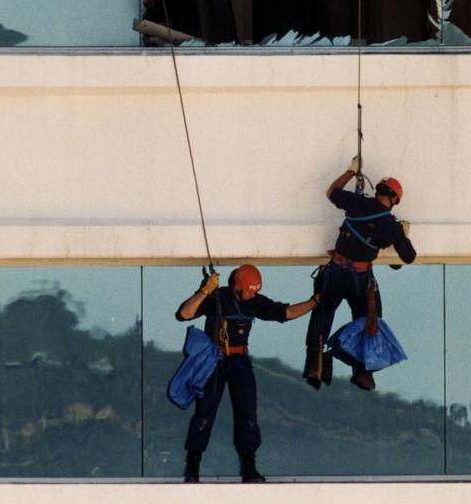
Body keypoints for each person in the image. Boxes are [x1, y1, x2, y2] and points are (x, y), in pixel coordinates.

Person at [176, 264, 319, 483]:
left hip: (240, 362)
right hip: (215, 361)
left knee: (248, 415)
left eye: (255, 292)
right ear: (236, 286)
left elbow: (287, 312)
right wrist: (204, 290)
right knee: (204, 414)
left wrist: (315, 302)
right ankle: (192, 467)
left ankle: (249, 467)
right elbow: (185, 313)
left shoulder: (255, 301)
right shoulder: (217, 297)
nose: (251, 296)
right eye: (248, 291)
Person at [304, 158, 416, 391]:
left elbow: (332, 192)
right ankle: (363, 371)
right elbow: (408, 256)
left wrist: (350, 171)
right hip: (361, 277)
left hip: (336, 270)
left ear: (378, 191)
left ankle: (315, 364)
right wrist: (403, 233)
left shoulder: (357, 203)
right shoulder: (391, 225)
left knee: (323, 313)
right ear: (395, 199)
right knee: (370, 321)